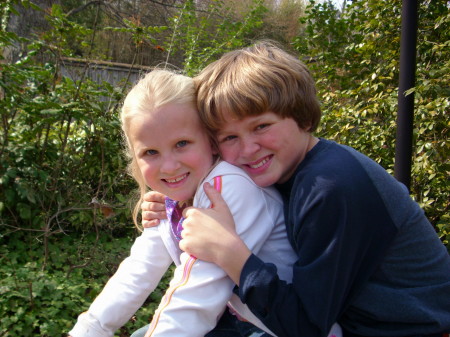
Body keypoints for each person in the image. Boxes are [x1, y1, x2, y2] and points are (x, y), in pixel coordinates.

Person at [142, 42, 450, 337]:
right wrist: (176, 203)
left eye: (261, 126)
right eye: (229, 137)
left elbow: (305, 327)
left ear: (301, 117)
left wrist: (230, 252)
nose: (248, 148)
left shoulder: (330, 186)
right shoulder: (285, 168)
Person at [68, 69, 341, 337]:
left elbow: (196, 296)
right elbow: (138, 272)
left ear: (211, 142)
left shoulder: (224, 188)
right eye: (151, 152)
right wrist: (88, 329)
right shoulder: (172, 199)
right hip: (239, 320)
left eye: (182, 143)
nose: (170, 166)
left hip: (279, 327)